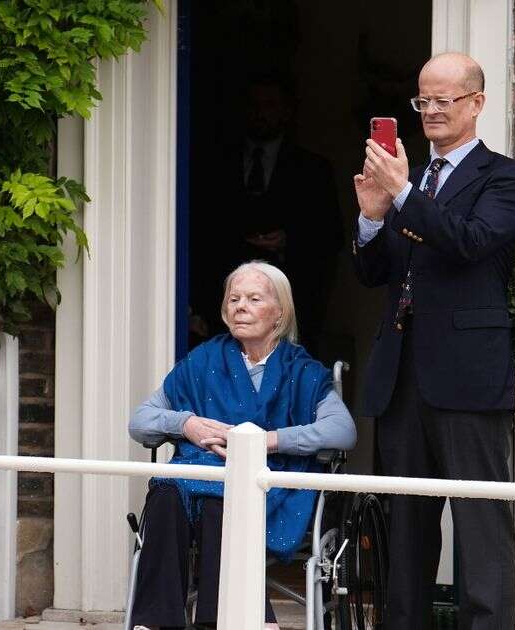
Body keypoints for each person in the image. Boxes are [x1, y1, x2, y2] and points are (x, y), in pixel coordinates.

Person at [352, 51, 515, 630]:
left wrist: (403, 195)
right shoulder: (412, 183)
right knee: (406, 530)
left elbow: (468, 242)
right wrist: (373, 217)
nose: (429, 111)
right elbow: (375, 274)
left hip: (466, 374)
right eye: (421, 100)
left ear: (476, 104)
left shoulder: (506, 177)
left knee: (482, 529)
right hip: (402, 375)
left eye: (442, 100)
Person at [127, 261, 357, 630]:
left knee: (225, 498)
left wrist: (270, 441)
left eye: (253, 298)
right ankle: (155, 623)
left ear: (279, 311)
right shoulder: (203, 361)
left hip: (272, 483)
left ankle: (229, 621)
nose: (240, 306)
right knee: (166, 492)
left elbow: (342, 431)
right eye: (234, 299)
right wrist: (185, 424)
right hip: (196, 477)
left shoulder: (302, 370)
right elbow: (140, 422)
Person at [191, 75, 343, 356]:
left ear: (287, 110)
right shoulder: (214, 163)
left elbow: (330, 237)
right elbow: (199, 229)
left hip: (289, 307)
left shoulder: (313, 170)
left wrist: (289, 240)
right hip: (221, 310)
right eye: (254, 104)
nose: (261, 113)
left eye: (270, 105)